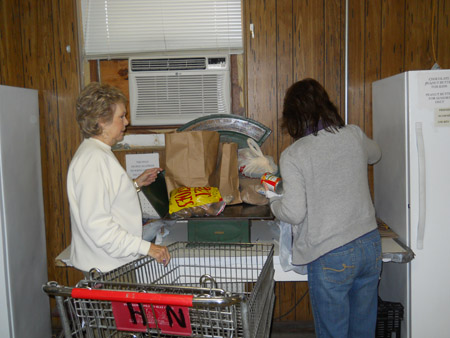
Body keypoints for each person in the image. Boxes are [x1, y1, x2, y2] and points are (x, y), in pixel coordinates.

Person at [266, 78, 382, 338]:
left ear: (293, 117)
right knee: (363, 332)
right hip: (369, 246)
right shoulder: (353, 134)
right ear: (326, 106)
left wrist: (274, 201)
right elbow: (376, 154)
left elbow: (294, 212)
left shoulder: (295, 154)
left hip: (331, 254)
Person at [67, 82, 170, 274]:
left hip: (110, 264)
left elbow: (105, 197)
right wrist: (145, 248)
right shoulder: (93, 160)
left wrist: (136, 184)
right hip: (107, 269)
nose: (126, 122)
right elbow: (98, 225)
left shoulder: (97, 153)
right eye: (121, 116)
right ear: (101, 121)